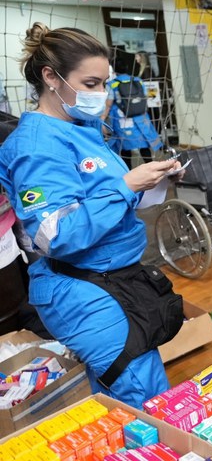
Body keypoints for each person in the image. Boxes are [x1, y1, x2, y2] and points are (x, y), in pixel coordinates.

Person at [0, 22, 185, 408]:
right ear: (51, 77)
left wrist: (153, 181)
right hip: (81, 287)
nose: (101, 96)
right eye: (90, 84)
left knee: (121, 398)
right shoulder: (35, 146)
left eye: (105, 84)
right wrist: (126, 186)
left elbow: (111, 204)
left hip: (118, 277)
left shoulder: (83, 130)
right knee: (143, 398)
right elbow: (54, 234)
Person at [103, 52, 162, 169]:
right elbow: (144, 97)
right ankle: (152, 169)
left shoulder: (112, 84)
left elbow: (108, 105)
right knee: (144, 147)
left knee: (125, 149)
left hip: (123, 122)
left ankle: (128, 173)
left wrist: (102, 121)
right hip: (141, 119)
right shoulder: (138, 80)